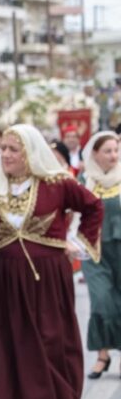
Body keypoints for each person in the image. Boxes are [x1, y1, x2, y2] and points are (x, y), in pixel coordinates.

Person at [0, 124, 103, 399]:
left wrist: (80, 244)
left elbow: (92, 207)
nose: (5, 155)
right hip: (3, 285)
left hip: (49, 281)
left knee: (52, 351)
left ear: (30, 153)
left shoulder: (56, 184)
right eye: (3, 149)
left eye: (13, 150)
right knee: (15, 357)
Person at [82, 131, 121, 379]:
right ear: (95, 153)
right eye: (107, 151)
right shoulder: (83, 181)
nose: (113, 156)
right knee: (102, 301)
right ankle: (102, 354)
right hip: (94, 251)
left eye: (116, 150)